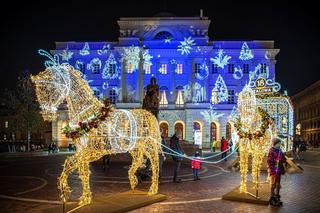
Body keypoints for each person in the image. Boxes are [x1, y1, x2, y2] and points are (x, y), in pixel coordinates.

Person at [267, 138, 286, 207]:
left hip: (279, 170)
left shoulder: (280, 150)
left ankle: (277, 196)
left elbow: (283, 158)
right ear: (275, 144)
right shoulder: (271, 151)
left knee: (278, 183)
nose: (280, 144)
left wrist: (284, 163)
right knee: (273, 184)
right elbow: (269, 161)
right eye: (278, 143)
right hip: (274, 171)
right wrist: (272, 170)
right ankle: (272, 198)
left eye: (280, 143)